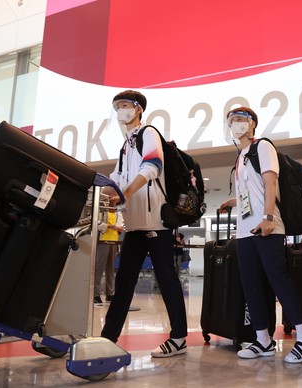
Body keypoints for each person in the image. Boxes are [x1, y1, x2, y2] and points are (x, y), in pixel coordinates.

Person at [219, 106, 302, 364]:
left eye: (241, 119)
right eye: (232, 120)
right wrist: (232, 202)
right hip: (245, 231)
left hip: (267, 226)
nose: (236, 123)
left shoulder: (262, 146)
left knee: (278, 280)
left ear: (252, 125)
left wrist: (269, 217)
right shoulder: (240, 157)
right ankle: (263, 339)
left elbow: (270, 182)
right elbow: (249, 192)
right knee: (251, 284)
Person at [101, 90, 188, 358]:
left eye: (124, 105)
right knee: (124, 282)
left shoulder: (148, 132)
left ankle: (179, 337)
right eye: (116, 106)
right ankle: (107, 338)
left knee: (167, 279)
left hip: (156, 224)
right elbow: (115, 179)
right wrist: (92, 192)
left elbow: (152, 167)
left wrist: (125, 193)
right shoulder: (125, 145)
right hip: (134, 225)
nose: (120, 110)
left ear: (138, 109)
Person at [93, 202, 123, 305]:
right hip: (103, 241)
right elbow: (96, 223)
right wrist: (111, 227)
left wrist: (120, 229)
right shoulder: (102, 210)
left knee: (110, 268)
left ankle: (109, 293)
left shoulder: (118, 213)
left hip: (114, 241)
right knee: (99, 268)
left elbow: (120, 226)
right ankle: (95, 294)